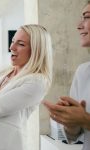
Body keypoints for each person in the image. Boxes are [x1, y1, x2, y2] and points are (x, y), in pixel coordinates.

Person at [43, 2, 90, 150]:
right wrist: (71, 123)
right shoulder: (83, 72)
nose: (79, 26)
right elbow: (74, 136)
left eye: (87, 17)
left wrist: (86, 120)